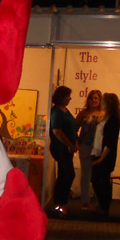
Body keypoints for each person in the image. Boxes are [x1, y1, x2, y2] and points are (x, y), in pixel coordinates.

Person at [90, 93, 120, 217]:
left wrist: (102, 158)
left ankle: (104, 206)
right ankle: (102, 204)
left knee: (102, 180)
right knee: (97, 179)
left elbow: (110, 141)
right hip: (98, 152)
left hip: (105, 155)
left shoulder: (113, 119)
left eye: (103, 101)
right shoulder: (106, 117)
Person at [48, 86, 77, 216]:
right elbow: (57, 131)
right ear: (62, 97)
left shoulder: (65, 111)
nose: (70, 98)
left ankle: (61, 201)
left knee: (65, 174)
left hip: (67, 148)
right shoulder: (56, 112)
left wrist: (75, 143)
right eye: (68, 96)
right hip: (60, 148)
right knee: (67, 174)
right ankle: (60, 202)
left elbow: (72, 128)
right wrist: (69, 144)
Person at [76, 89, 102, 210]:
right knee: (86, 174)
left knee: (98, 175)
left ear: (100, 100)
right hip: (85, 146)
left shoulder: (104, 114)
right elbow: (74, 129)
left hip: (99, 147)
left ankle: (99, 202)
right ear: (88, 100)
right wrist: (76, 143)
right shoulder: (83, 114)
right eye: (92, 98)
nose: (94, 100)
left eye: (96, 98)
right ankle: (85, 201)